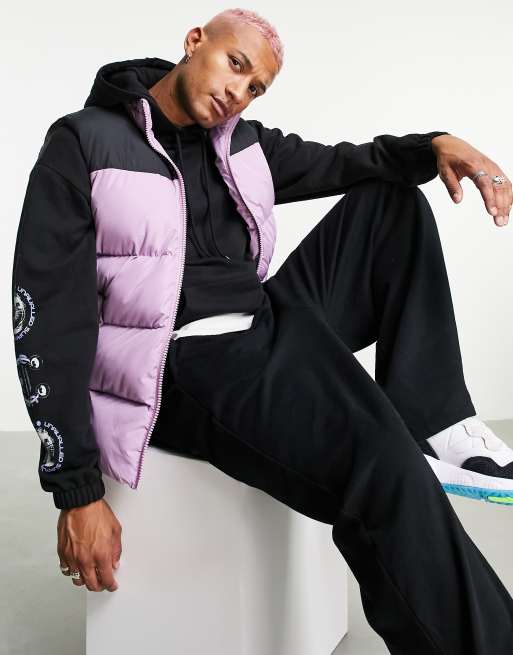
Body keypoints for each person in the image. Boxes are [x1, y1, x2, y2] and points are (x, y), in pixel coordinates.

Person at [11, 7, 513, 652]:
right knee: (382, 466)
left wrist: (434, 144)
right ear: (194, 41)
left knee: (392, 203)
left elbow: (343, 162)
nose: (237, 93)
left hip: (264, 325)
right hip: (183, 363)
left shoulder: (240, 142)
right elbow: (48, 316)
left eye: (255, 87)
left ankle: (437, 420)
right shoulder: (83, 144)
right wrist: (76, 489)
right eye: (235, 64)